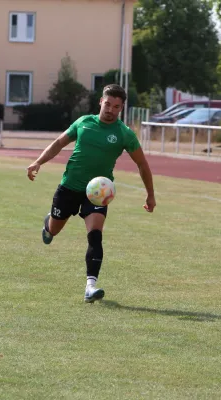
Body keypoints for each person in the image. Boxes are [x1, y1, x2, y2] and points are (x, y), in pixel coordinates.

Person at [25, 84, 156, 303]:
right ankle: (49, 224)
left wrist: (150, 194)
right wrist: (38, 162)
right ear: (100, 102)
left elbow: (142, 164)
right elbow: (59, 143)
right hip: (68, 188)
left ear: (121, 108)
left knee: (95, 234)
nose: (111, 110)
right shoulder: (83, 122)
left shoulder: (124, 134)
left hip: (97, 194)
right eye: (108, 104)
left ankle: (90, 286)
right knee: (55, 229)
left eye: (116, 107)